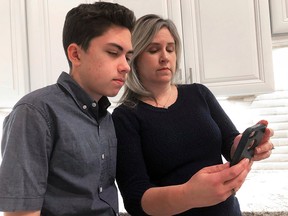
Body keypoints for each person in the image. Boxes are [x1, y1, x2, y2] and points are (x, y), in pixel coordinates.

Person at [112, 14, 274, 216]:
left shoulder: (199, 93)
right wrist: (189, 194)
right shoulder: (125, 117)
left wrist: (244, 146)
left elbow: (230, 141)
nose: (165, 57)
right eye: (153, 50)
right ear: (134, 58)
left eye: (170, 49)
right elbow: (136, 199)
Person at [0, 2, 135, 216]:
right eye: (112, 52)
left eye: (127, 57)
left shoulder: (106, 119)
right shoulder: (34, 113)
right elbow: (21, 214)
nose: (126, 66)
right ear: (76, 54)